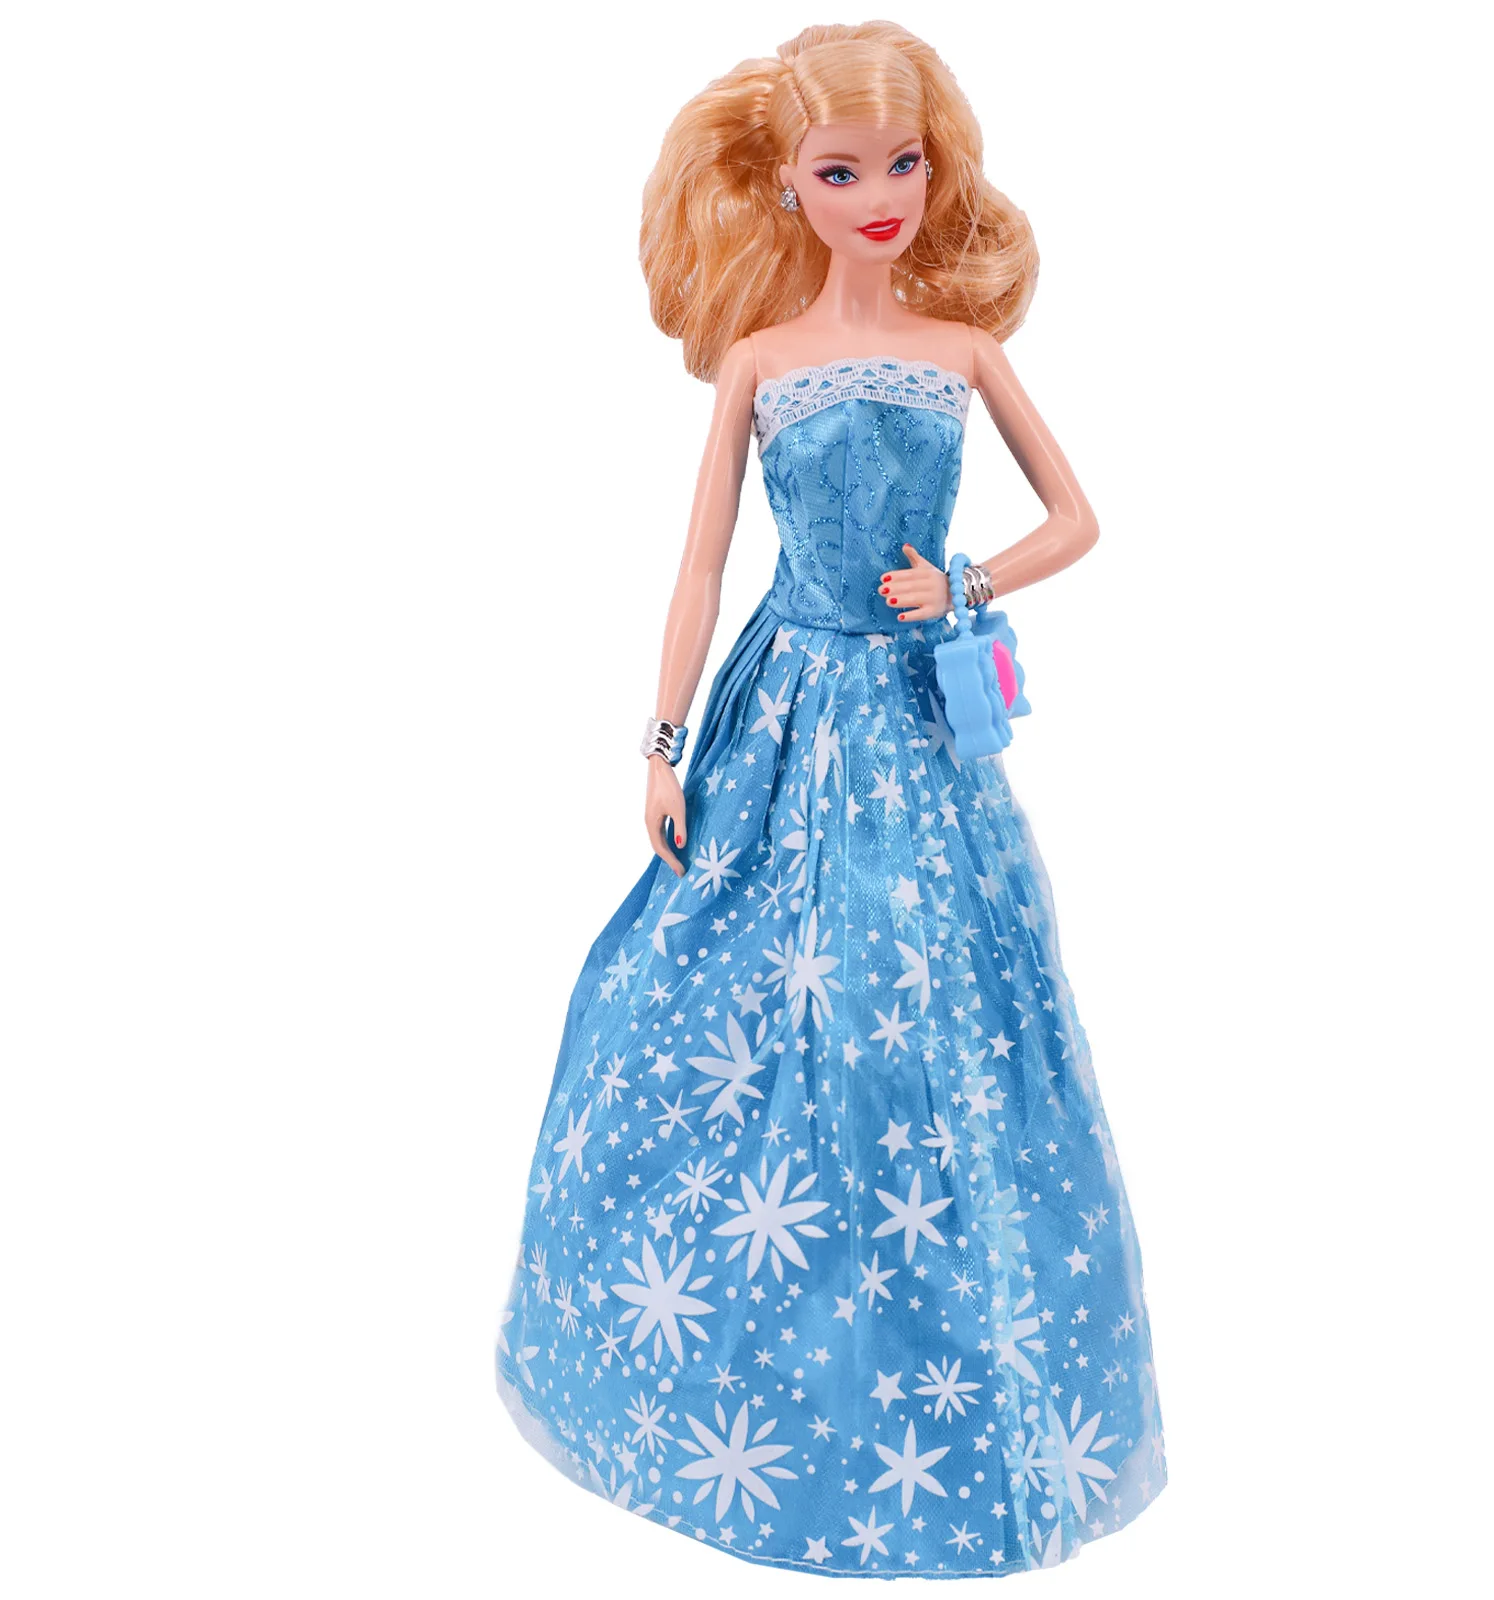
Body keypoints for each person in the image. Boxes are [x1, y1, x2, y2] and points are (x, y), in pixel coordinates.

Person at [494, 21, 1167, 1576]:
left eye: (905, 163)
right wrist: (661, 740)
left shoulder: (962, 351)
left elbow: (1079, 518)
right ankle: (735, 1346)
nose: (882, 196)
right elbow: (701, 565)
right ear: (788, 185)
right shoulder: (759, 362)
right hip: (784, 712)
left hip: (920, 716)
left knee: (940, 1007)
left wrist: (970, 581)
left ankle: (938, 1351)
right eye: (844, 170)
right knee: (722, 997)